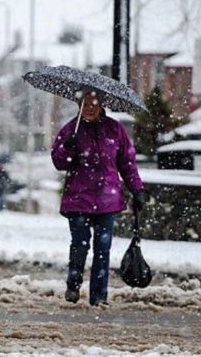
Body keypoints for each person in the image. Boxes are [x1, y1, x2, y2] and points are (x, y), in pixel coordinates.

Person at [51, 91, 145, 307]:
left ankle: (99, 296)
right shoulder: (70, 129)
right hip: (78, 199)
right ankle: (73, 284)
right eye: (85, 105)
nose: (90, 108)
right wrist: (68, 147)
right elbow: (59, 162)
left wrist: (137, 189)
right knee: (80, 245)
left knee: (103, 249)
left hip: (106, 201)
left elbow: (127, 163)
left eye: (94, 104)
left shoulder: (115, 129)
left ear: (102, 105)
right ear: (79, 106)